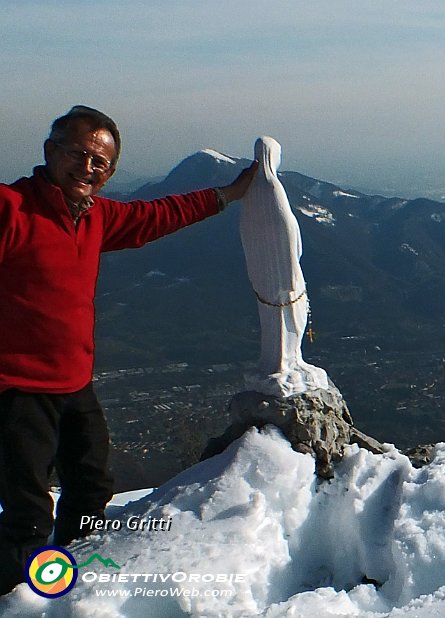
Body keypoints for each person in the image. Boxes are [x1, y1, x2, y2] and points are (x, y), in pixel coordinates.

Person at [0, 105, 258, 594]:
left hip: (74, 383)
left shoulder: (94, 217)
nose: (89, 168)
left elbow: (155, 217)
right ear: (51, 152)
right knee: (28, 513)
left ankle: (67, 586)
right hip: (17, 389)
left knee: (92, 486)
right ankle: (13, 597)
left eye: (101, 163)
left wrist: (228, 196)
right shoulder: (13, 209)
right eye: (79, 154)